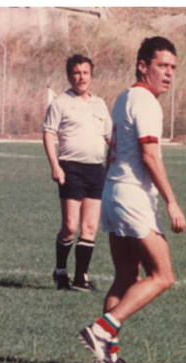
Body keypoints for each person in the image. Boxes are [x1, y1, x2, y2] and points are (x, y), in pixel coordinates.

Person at [78, 36, 186, 363]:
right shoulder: (146, 102)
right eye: (161, 66)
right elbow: (150, 155)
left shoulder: (125, 97)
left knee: (126, 276)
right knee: (163, 275)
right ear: (143, 66)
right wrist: (172, 202)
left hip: (114, 193)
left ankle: (105, 357)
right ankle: (101, 330)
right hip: (131, 197)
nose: (168, 73)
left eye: (172, 68)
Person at [43, 54, 112, 292]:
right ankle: (60, 271)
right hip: (70, 168)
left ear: (91, 76)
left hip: (96, 170)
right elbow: (49, 134)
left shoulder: (100, 104)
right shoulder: (60, 102)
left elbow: (109, 137)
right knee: (71, 226)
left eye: (85, 72)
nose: (81, 77)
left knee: (90, 227)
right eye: (76, 72)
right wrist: (55, 166)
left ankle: (81, 278)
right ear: (69, 76)